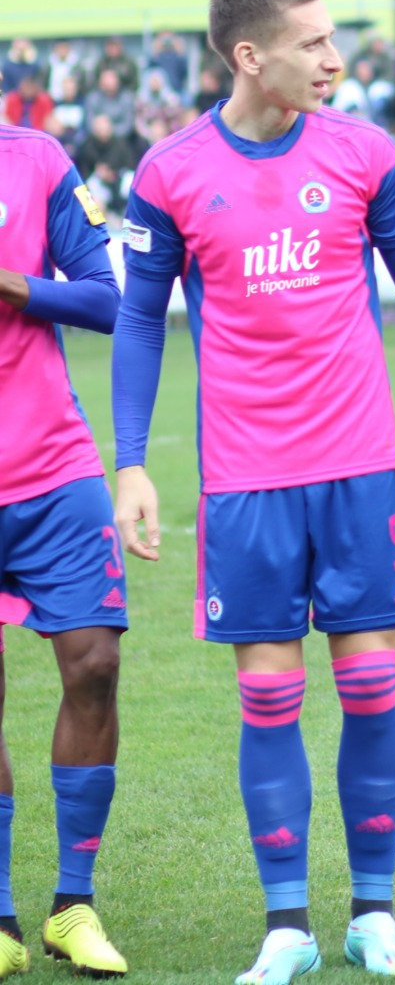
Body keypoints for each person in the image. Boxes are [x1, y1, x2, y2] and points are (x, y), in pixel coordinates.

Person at [111, 0, 395, 984]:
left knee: (370, 686)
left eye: (332, 40)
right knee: (269, 695)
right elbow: (140, 318)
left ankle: (373, 914)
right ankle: (286, 926)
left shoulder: (364, 153)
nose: (334, 60)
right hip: (246, 481)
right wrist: (131, 463)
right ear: (250, 56)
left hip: (358, 467)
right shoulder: (171, 171)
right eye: (312, 43)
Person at [0, 121, 129, 979]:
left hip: (53, 467)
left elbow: (103, 301)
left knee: (94, 666)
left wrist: (10, 282)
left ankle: (72, 906)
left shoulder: (36, 158)